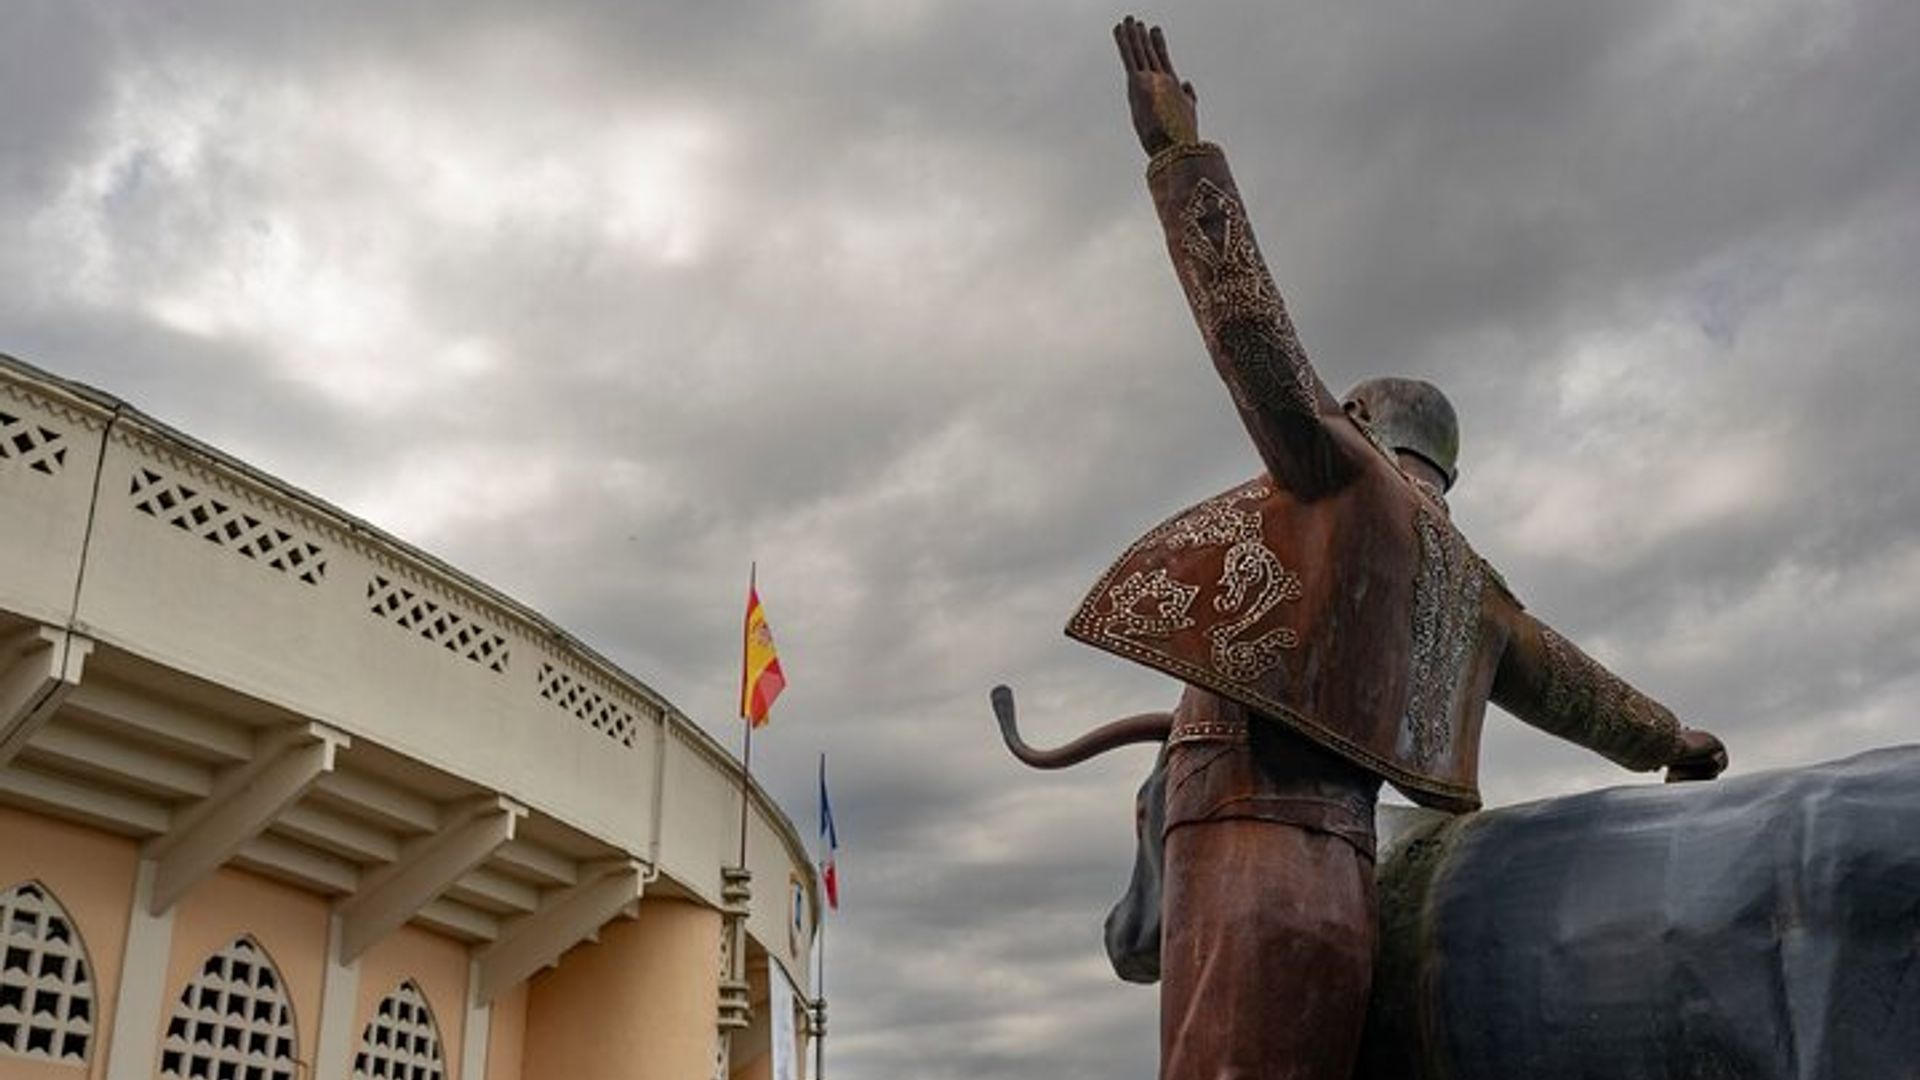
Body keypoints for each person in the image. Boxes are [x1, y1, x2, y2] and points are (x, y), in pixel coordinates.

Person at [1069, 18, 1730, 1079]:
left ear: (1366, 423)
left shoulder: (1343, 479)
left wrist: (1179, 155)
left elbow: (1253, 338)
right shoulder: (1473, 589)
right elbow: (1575, 689)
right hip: (1345, 885)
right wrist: (1671, 740)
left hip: (1239, 859)